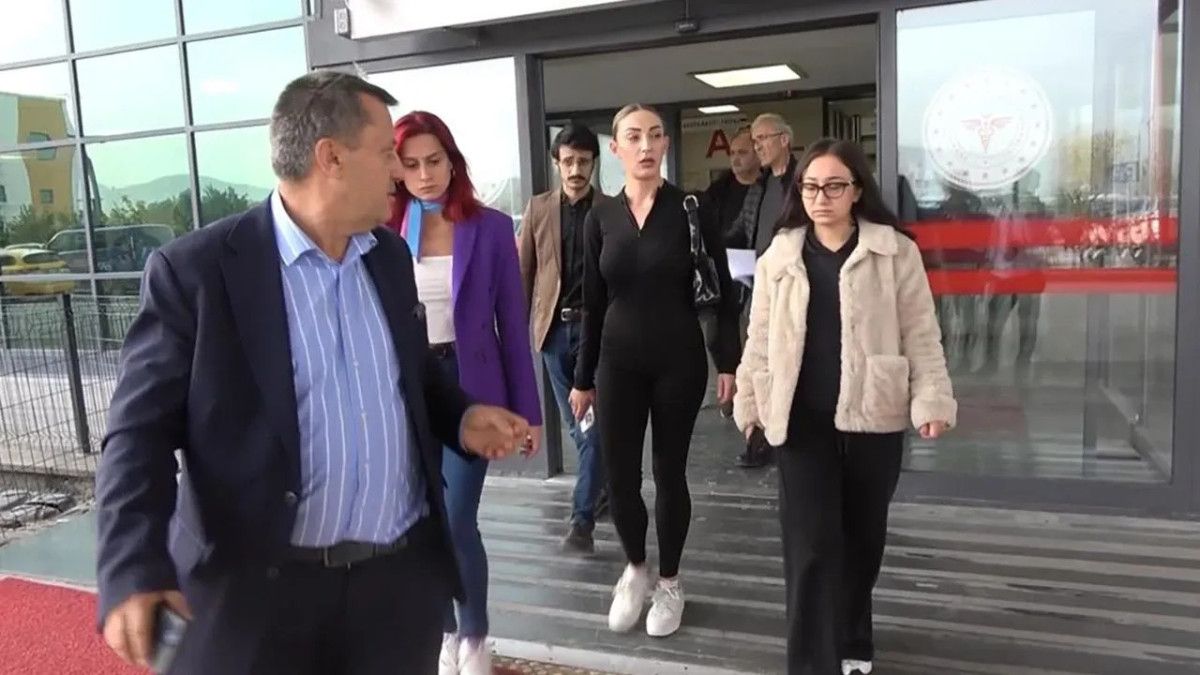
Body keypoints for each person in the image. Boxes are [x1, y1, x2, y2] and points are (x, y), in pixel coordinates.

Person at [94, 71, 532, 675]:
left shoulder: (387, 257)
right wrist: (132, 563)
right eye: (385, 154)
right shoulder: (198, 273)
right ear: (331, 158)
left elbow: (414, 377)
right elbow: (137, 433)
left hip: (393, 593)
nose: (399, 173)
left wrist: (462, 416)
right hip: (260, 600)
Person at [733, 138, 956, 675]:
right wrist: (750, 402)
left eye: (834, 186)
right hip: (800, 420)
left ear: (857, 190)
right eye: (810, 186)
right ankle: (813, 664)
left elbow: (921, 333)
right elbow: (758, 338)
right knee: (810, 547)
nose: (821, 197)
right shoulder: (779, 256)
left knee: (861, 542)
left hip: (873, 415)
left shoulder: (894, 251)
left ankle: (853, 637)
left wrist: (930, 397)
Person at [569, 104, 741, 638]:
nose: (645, 146)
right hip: (617, 363)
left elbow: (723, 292)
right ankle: (635, 569)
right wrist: (582, 378)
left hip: (678, 360)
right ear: (615, 149)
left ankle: (669, 581)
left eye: (655, 135)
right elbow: (593, 303)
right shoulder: (600, 217)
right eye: (633, 137)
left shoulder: (692, 208)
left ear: (665, 144)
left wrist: (728, 363)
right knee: (620, 476)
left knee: (669, 473)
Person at [388, 110, 543, 675]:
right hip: (406, 388)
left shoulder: (491, 228)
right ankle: (445, 631)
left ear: (452, 162)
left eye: (434, 161)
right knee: (422, 520)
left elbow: (512, 325)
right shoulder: (381, 230)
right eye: (411, 165)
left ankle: (474, 634)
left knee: (456, 518)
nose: (425, 175)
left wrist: (527, 411)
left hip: (470, 386)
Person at [518, 124, 613, 555]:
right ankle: (601, 488)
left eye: (584, 161)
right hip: (554, 333)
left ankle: (581, 520)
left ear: (594, 163)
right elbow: (525, 273)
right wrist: (518, 339)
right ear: (557, 163)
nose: (576, 170)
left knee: (593, 429)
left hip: (600, 335)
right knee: (579, 428)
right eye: (568, 161)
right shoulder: (538, 209)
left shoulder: (611, 210)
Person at [736, 112, 802, 468]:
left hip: (792, 288)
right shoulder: (758, 187)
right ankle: (758, 435)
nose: (757, 146)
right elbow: (739, 234)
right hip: (760, 289)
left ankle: (782, 435)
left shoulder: (804, 182)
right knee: (758, 362)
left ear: (784, 140)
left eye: (763, 138)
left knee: (787, 361)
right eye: (755, 140)